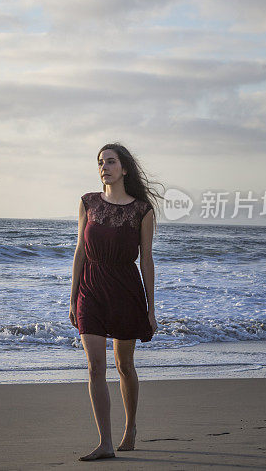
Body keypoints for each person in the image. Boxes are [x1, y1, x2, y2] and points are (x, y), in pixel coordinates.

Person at [69, 142, 162, 461]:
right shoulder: (88, 203)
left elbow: (147, 260)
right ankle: (105, 442)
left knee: (124, 365)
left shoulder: (142, 210)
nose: (104, 167)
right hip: (91, 289)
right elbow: (80, 251)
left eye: (110, 162)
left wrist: (151, 308)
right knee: (96, 367)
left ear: (124, 169)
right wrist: (72, 298)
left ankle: (130, 428)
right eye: (100, 162)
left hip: (124, 289)